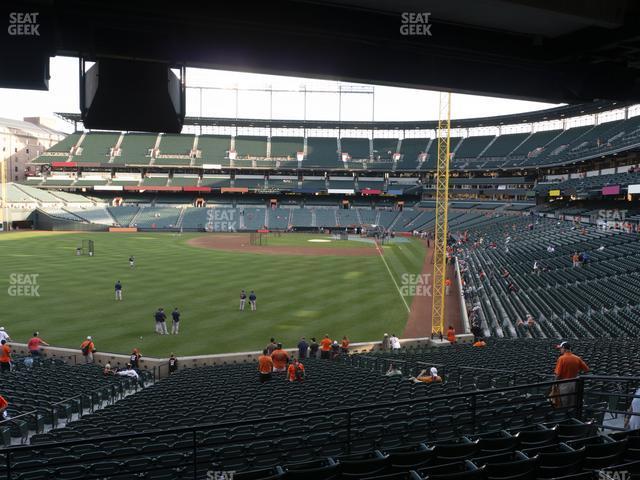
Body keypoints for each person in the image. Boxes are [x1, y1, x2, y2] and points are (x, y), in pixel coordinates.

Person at [554, 341, 590, 408]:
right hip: (574, 383)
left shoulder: (561, 358)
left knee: (563, 404)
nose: (560, 350)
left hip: (563, 384)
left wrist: (554, 383)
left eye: (560, 348)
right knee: (572, 404)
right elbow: (586, 369)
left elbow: (557, 374)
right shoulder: (577, 358)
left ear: (564, 348)